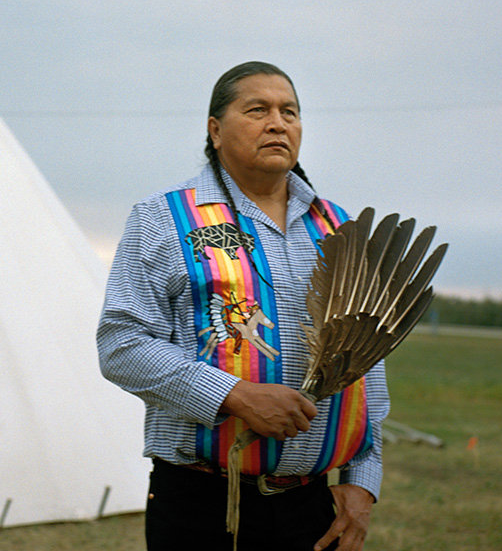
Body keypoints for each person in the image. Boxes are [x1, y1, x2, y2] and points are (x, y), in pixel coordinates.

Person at [97, 62, 389, 551]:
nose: (278, 123)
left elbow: (366, 359)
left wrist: (363, 476)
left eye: (290, 112)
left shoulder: (339, 229)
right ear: (215, 130)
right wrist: (235, 395)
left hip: (310, 509)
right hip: (201, 503)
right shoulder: (164, 218)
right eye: (258, 110)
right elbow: (120, 346)